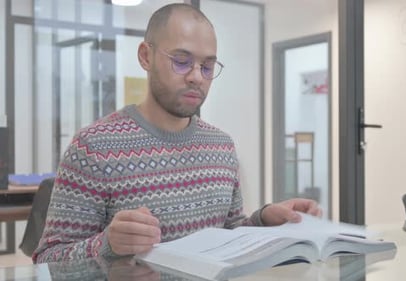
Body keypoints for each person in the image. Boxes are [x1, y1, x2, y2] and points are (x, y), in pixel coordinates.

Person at [33, 3, 321, 263]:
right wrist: (106, 244)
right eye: (181, 61)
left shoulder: (221, 145)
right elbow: (48, 259)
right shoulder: (93, 147)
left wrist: (263, 219)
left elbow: (228, 235)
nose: (196, 76)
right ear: (146, 56)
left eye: (207, 67)